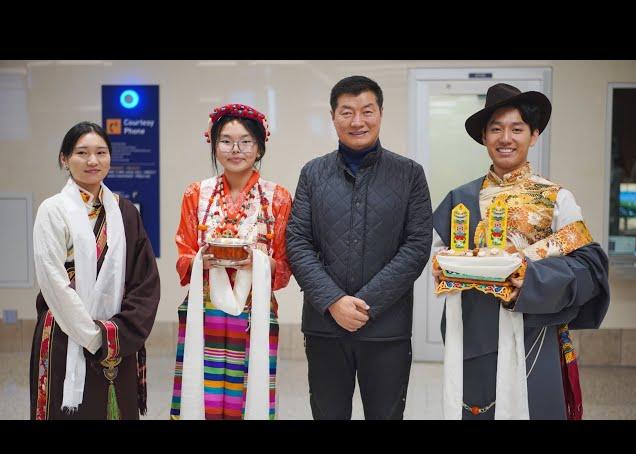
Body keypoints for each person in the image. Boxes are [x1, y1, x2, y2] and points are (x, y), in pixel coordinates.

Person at [432, 83, 610, 420]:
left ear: (534, 135)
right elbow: (440, 256)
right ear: (484, 137)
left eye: (517, 129)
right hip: (476, 337)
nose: (505, 138)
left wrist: (530, 279)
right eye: (496, 129)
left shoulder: (557, 198)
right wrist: (443, 269)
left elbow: (590, 269)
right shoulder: (460, 199)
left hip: (536, 335)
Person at [286, 76, 432, 420]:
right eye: (347, 112)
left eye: (367, 111)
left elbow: (416, 246)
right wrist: (333, 301)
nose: (357, 121)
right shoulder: (313, 173)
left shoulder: (409, 174)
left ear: (380, 113)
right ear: (333, 117)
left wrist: (367, 304)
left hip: (387, 329)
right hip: (325, 326)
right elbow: (297, 242)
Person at [30, 121, 160, 420]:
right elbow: (53, 281)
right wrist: (93, 337)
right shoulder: (53, 210)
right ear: (65, 158)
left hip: (118, 335)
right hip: (65, 332)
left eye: (101, 152)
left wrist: (119, 333)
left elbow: (144, 280)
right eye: (82, 153)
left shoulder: (125, 211)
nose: (93, 161)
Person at [171, 104, 292, 420]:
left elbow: (284, 266)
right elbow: (184, 254)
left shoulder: (277, 197)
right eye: (226, 141)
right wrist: (202, 259)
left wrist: (258, 261)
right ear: (213, 144)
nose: (235, 149)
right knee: (202, 392)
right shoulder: (196, 193)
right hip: (204, 308)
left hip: (256, 312)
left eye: (246, 141)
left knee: (249, 393)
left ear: (260, 146)